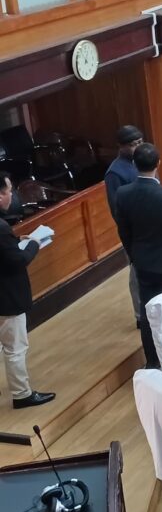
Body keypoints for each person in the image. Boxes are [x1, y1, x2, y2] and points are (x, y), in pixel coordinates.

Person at [116, 143, 162, 369]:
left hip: (142, 262)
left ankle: (152, 361)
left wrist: (134, 256)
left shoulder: (123, 194)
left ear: (134, 164)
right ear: (159, 163)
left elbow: (124, 231)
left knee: (148, 313)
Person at [0, 172, 56, 409]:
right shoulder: (1, 227)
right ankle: (22, 394)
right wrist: (33, 243)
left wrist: (14, 241)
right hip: (7, 298)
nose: (11, 196)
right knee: (15, 348)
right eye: (8, 191)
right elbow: (18, 260)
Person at [104, 125, 143, 328]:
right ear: (121, 146)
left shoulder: (143, 160)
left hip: (150, 225)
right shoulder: (115, 173)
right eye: (133, 144)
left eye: (140, 142)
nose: (138, 147)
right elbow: (117, 210)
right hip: (134, 231)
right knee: (137, 271)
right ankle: (140, 315)